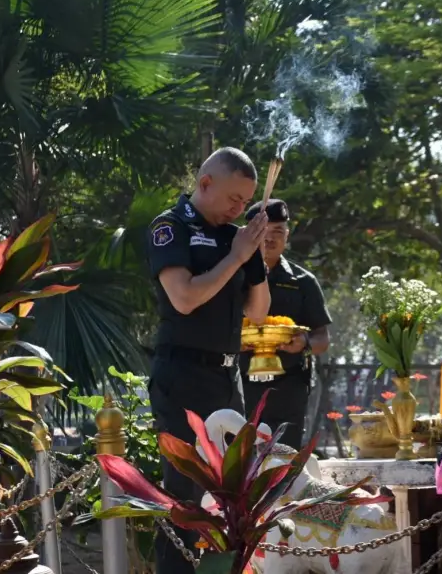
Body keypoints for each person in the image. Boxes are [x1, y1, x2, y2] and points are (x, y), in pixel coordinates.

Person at [145, 147, 270, 574]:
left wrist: (253, 258)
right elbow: (183, 298)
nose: (239, 208)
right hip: (182, 376)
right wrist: (236, 257)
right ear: (205, 183)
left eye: (246, 201)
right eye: (234, 198)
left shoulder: (235, 237)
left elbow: (258, 312)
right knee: (185, 497)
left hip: (227, 377)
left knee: (236, 498)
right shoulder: (171, 226)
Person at [240, 199, 331, 449]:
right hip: (239, 386)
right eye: (264, 232)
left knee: (285, 457)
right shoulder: (232, 276)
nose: (270, 239)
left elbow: (323, 338)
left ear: (287, 236)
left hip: (288, 388)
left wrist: (305, 343)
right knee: (239, 460)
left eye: (278, 232)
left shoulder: (303, 281)